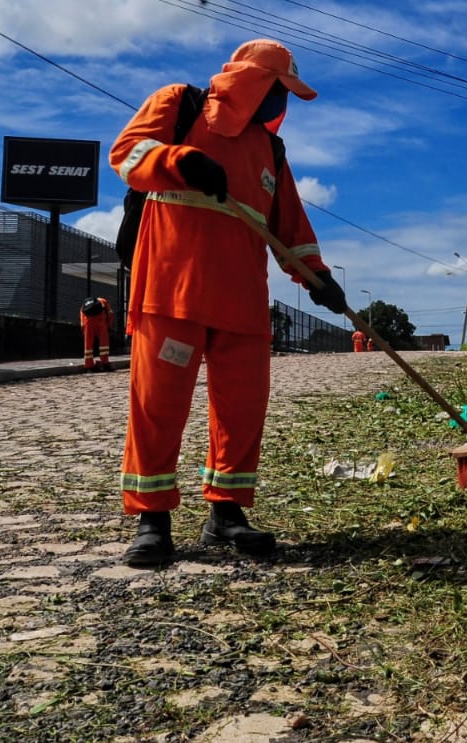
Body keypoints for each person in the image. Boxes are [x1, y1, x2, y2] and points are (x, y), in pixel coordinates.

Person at [109, 39, 346, 568]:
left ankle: (227, 512)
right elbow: (127, 154)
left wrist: (319, 279)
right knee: (157, 407)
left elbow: (291, 230)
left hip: (242, 302)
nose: (281, 107)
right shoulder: (179, 104)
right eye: (280, 92)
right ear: (252, 82)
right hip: (171, 291)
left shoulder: (271, 152)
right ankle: (152, 521)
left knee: (242, 411)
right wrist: (181, 160)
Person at [80, 295, 114, 372]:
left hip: (87, 322)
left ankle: (89, 365)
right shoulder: (104, 301)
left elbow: (82, 313)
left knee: (88, 345)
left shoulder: (85, 304)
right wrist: (109, 326)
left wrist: (82, 327)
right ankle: (105, 363)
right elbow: (110, 313)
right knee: (104, 344)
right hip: (100, 321)